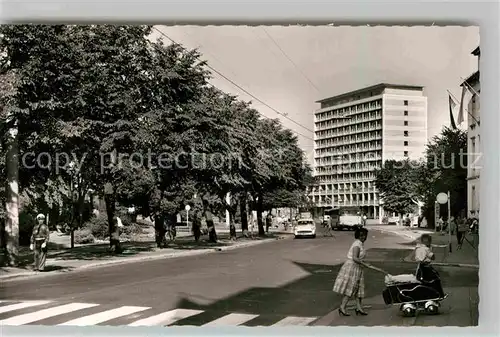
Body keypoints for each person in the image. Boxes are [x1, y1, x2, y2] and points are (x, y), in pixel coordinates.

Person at [333, 227, 387, 316]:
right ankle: (342, 307)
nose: (363, 237)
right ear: (358, 235)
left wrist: (364, 263)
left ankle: (358, 308)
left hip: (358, 267)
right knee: (351, 288)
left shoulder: (361, 244)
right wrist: (365, 264)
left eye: (365, 235)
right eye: (361, 235)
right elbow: (355, 258)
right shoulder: (357, 244)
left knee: (359, 289)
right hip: (352, 267)